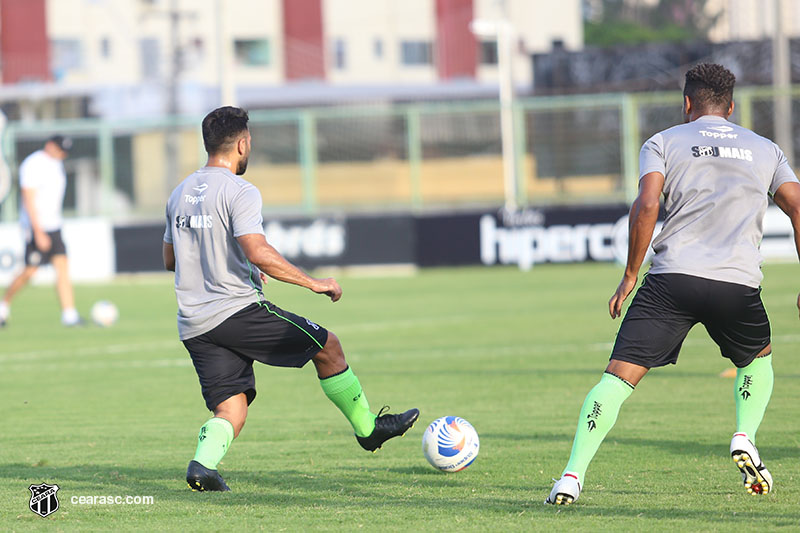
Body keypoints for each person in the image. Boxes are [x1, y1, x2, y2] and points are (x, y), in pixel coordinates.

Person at [545, 63, 800, 505]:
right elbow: (797, 206)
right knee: (757, 359)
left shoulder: (662, 141)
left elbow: (647, 204)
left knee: (618, 378)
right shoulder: (765, 149)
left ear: (687, 103)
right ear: (731, 106)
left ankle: (571, 475)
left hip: (672, 280)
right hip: (735, 284)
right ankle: (744, 435)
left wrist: (628, 276)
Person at [163, 106, 419, 492]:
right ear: (243, 143)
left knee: (231, 408)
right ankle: (368, 429)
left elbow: (171, 259)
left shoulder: (179, 193)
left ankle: (202, 466)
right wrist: (312, 282)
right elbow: (257, 249)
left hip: (195, 324)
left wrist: (231, 263)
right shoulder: (239, 190)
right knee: (327, 345)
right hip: (236, 312)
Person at [0, 135, 83, 327]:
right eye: (60, 150)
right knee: (30, 271)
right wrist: (38, 231)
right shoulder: (33, 164)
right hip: (36, 226)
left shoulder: (57, 165)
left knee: (62, 267)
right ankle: (3, 305)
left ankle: (69, 315)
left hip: (54, 225)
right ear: (50, 146)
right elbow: (28, 199)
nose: (62, 154)